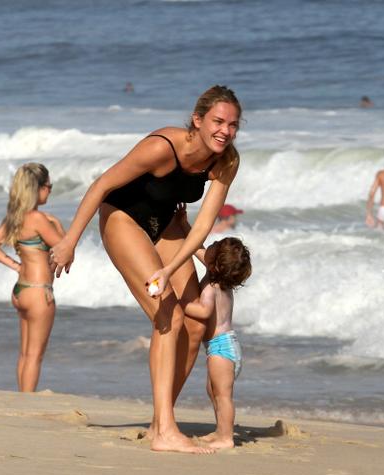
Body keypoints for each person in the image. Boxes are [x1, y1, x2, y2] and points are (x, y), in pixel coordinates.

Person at [50, 85, 242, 453]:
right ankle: (166, 432)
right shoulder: (162, 147)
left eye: (233, 125)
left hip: (168, 224)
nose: (225, 131)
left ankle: (160, 420)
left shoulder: (226, 161)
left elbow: (201, 227)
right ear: (198, 120)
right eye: (218, 121)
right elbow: (102, 184)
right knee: (166, 312)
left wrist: (175, 265)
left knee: (196, 321)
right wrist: (69, 240)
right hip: (123, 219)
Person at [0, 163, 64, 392]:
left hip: (22, 289)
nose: (50, 191)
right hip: (40, 291)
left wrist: (17, 266)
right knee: (35, 356)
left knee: (25, 353)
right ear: (38, 188)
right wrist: (57, 224)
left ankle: (22, 398)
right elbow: (64, 249)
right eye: (49, 186)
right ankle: (27, 404)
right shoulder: (39, 219)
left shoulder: (15, 218)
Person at [175, 208, 251, 449]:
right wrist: (185, 226)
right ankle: (220, 430)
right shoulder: (219, 277)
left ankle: (226, 437)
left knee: (222, 395)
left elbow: (204, 311)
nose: (209, 247)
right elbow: (196, 249)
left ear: (215, 265)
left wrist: (180, 304)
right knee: (213, 390)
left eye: (214, 246)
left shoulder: (211, 288)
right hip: (227, 346)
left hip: (221, 349)